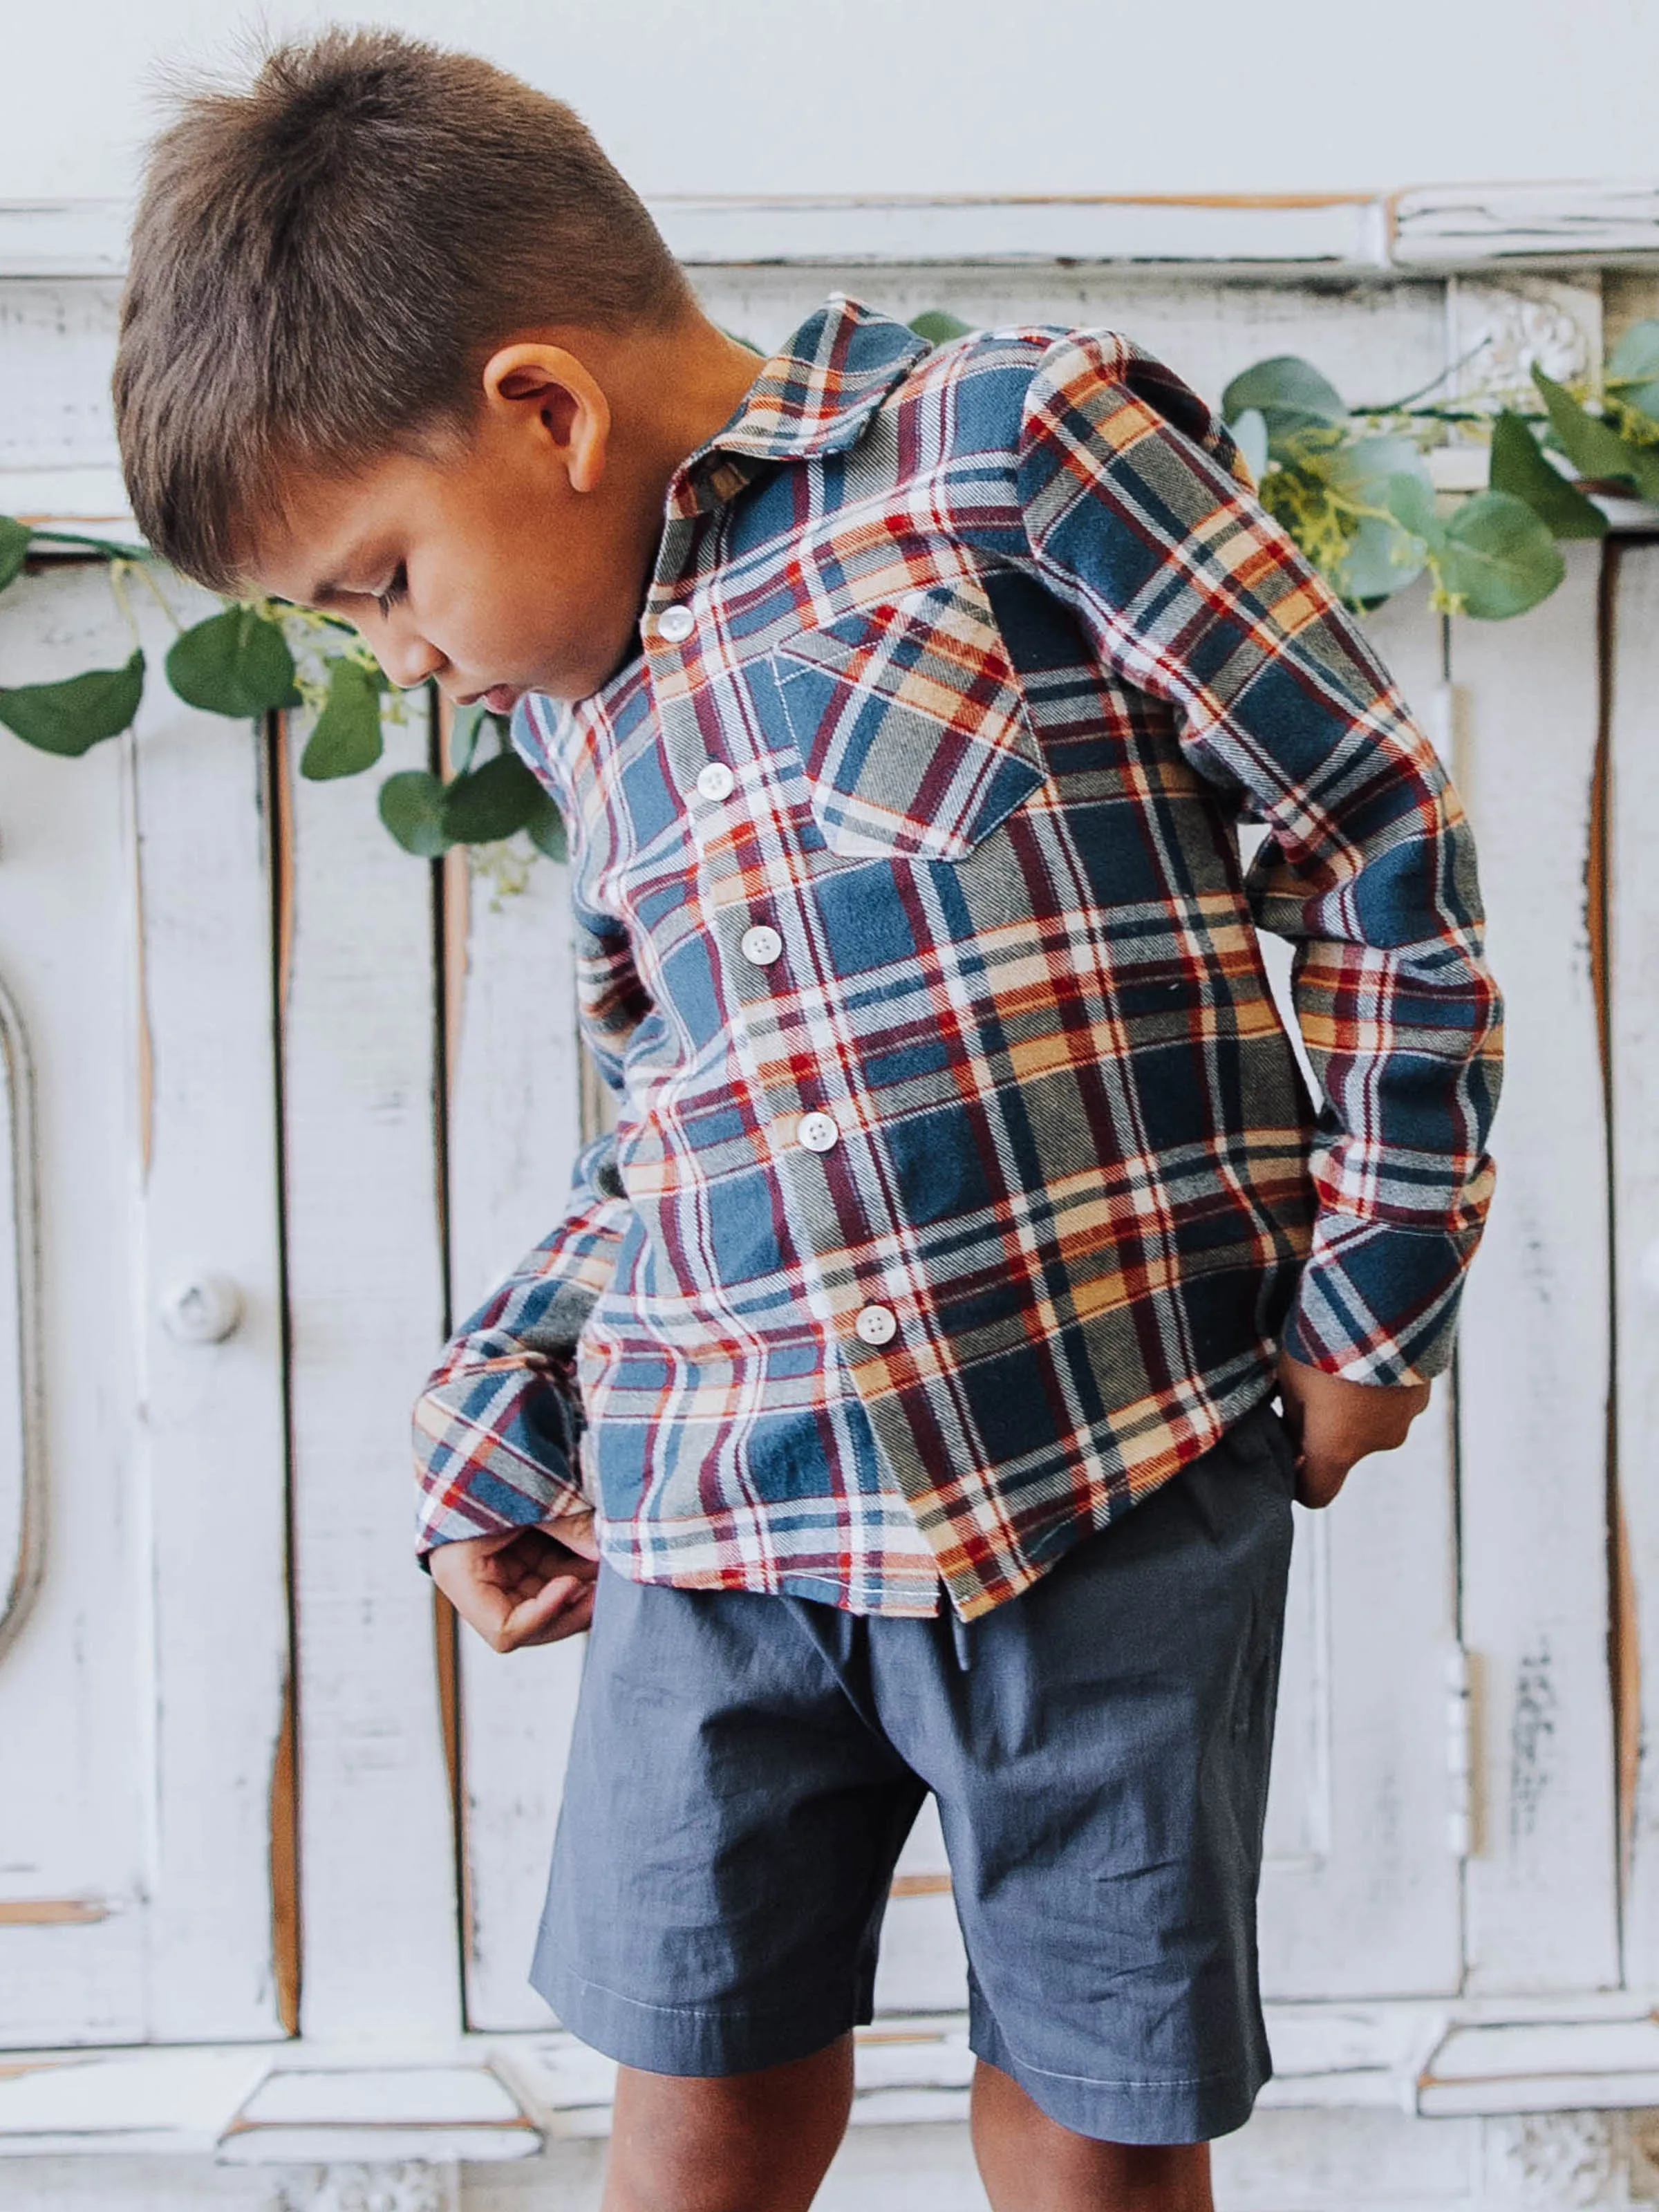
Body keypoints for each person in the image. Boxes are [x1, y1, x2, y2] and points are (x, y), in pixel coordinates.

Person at [113, 30, 1503, 2211]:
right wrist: (521, 1395)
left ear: (545, 413)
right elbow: (682, 1107)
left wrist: (1374, 1299)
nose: (402, 664)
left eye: (378, 584)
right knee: (697, 2094)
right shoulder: (589, 714)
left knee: (1099, 2109)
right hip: (721, 1521)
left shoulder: (1017, 455)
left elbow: (1375, 836)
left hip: (1104, 1479)